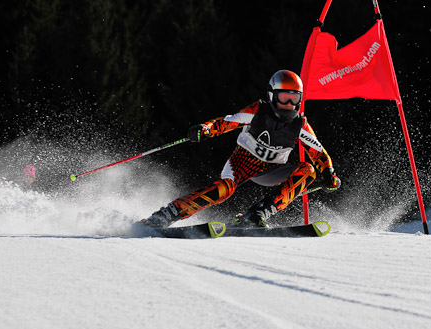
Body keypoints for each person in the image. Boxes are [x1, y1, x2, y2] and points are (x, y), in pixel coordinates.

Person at [139, 70, 341, 229]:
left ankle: (257, 214)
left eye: (294, 99)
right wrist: (205, 129)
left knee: (309, 171)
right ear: (272, 96)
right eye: (283, 98)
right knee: (222, 191)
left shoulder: (299, 125)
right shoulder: (258, 111)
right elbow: (226, 122)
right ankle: (167, 214)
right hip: (242, 163)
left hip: (271, 171)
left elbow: (319, 153)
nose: (289, 104)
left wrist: (328, 172)